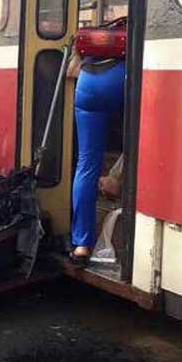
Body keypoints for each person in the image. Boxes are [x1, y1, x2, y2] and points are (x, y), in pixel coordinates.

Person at [68, 49, 126, 265]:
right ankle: (117, 180)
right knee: (139, 141)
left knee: (86, 163)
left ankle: (81, 246)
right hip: (122, 76)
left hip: (88, 82)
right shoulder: (131, 31)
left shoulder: (91, 43)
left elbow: (70, 71)